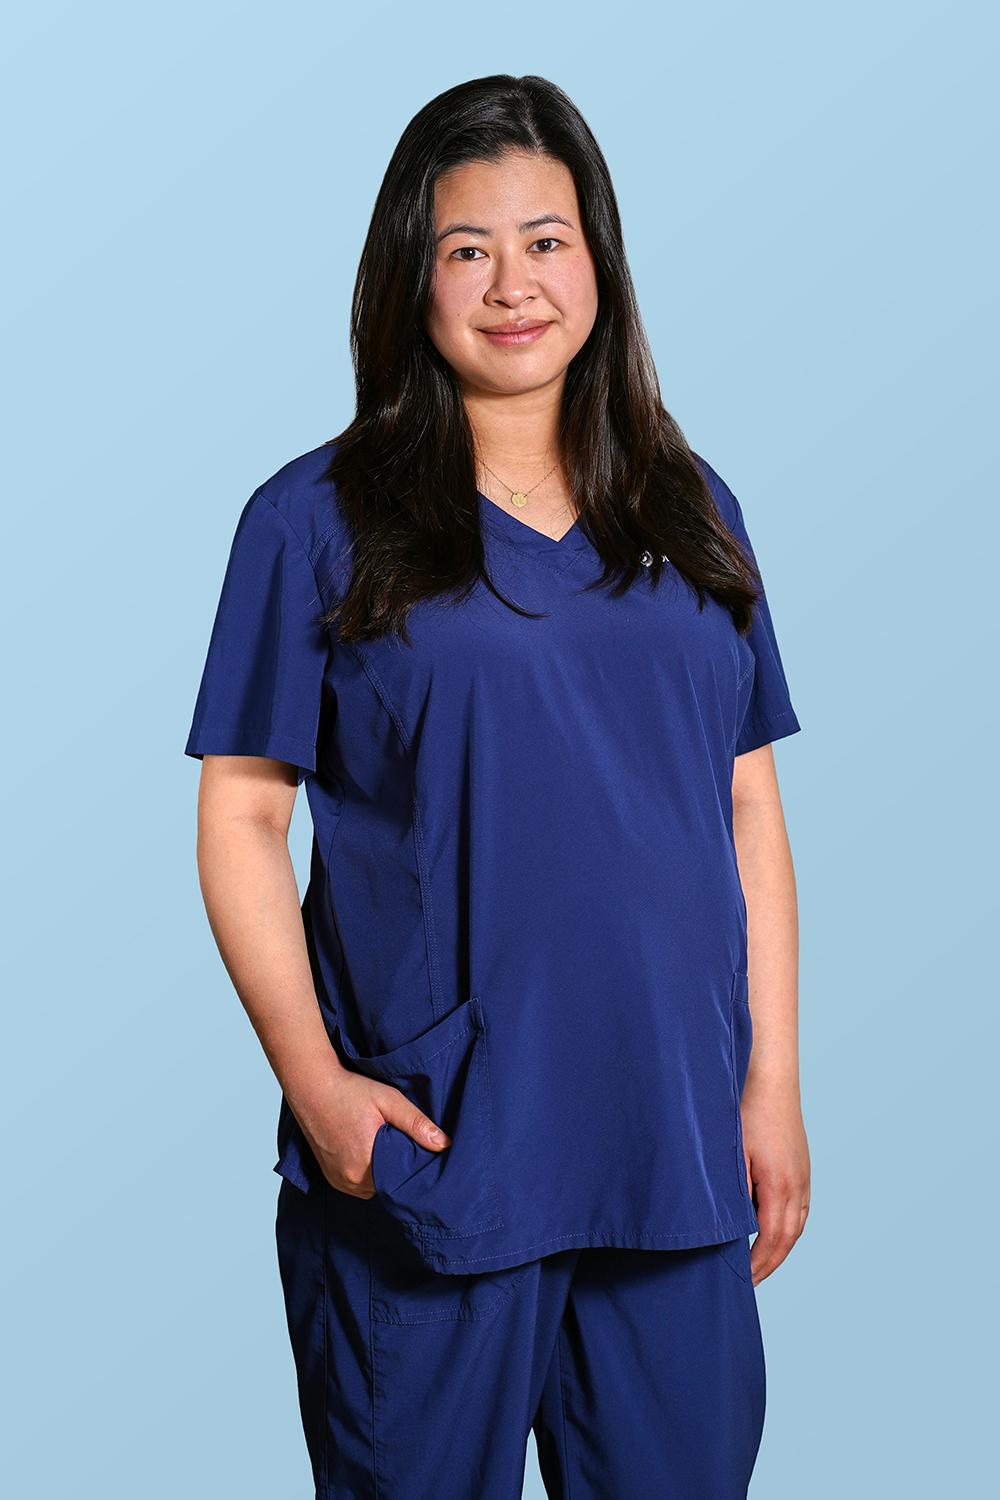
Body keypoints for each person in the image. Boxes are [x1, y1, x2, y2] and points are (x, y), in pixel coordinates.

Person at [184, 73, 810, 1500]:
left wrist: (769, 1084)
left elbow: (747, 812)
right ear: (411, 274)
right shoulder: (314, 521)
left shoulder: (693, 512)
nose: (512, 283)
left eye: (546, 240)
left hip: (671, 1153)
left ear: (600, 262)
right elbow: (243, 814)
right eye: (467, 247)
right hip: (438, 1151)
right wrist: (317, 1087)